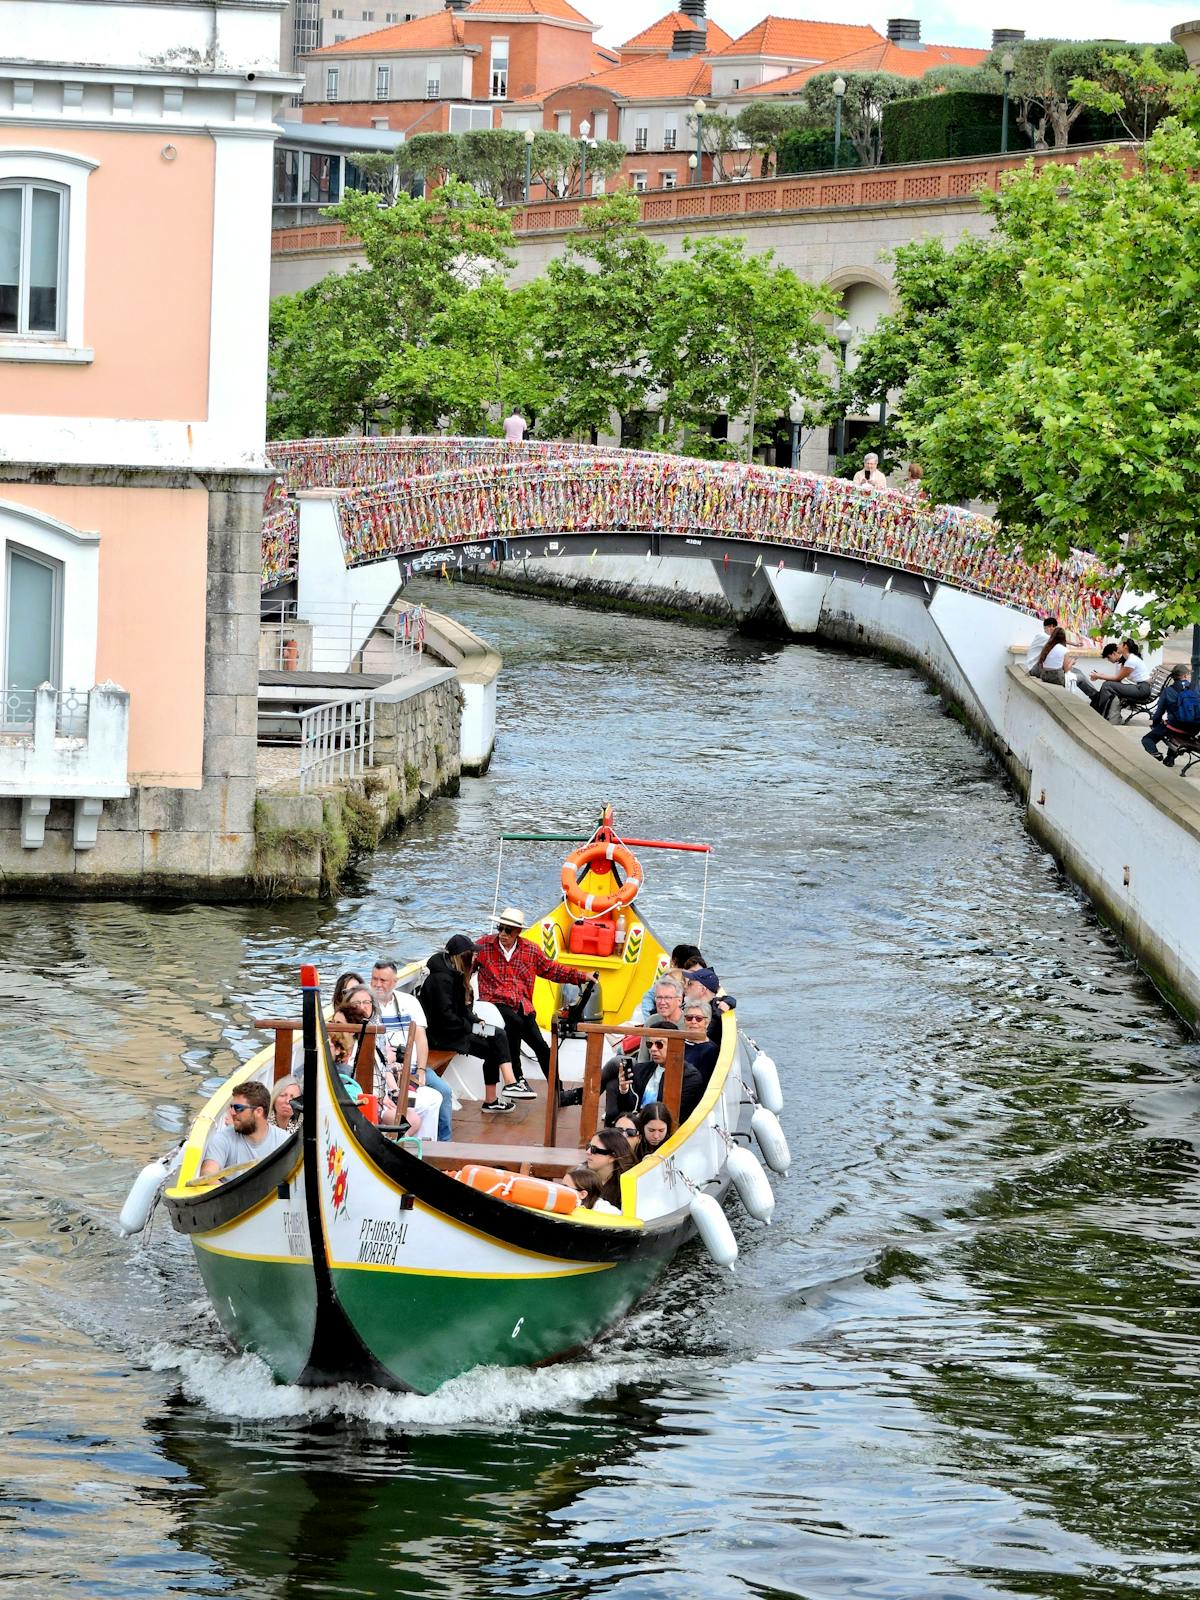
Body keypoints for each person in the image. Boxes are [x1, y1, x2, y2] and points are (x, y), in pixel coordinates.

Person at [473, 907, 597, 1096]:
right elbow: (464, 966)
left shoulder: (530, 950)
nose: (502, 934)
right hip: (494, 1005)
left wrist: (582, 976)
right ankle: (517, 1079)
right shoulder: (483, 946)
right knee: (512, 1023)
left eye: (508, 930)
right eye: (500, 928)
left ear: (518, 932)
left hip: (522, 1007)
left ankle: (558, 1091)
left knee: (542, 1047)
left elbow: (552, 969)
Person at [419, 934, 516, 1115]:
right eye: (472, 954)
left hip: (458, 1030)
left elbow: (463, 1012)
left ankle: (495, 1097)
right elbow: (445, 1018)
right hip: (442, 1037)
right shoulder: (441, 980)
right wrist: (471, 1027)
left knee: (497, 1036)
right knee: (497, 1038)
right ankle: (510, 1084)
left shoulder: (455, 976)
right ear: (462, 956)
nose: (475, 958)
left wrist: (475, 1021)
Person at [371, 958, 452, 1140]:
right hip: (390, 1076)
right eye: (374, 979)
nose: (377, 985)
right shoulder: (367, 1006)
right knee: (421, 1102)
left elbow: (421, 1039)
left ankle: (445, 1143)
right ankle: (413, 1140)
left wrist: (422, 1070)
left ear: (395, 982)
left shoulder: (409, 1002)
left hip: (415, 1070)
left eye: (383, 980)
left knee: (445, 1092)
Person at [201, 1081, 291, 1176]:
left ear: (258, 1112)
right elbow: (208, 1174)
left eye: (238, 1108)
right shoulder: (223, 1138)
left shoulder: (284, 1141)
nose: (232, 1112)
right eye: (231, 1107)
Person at [1142, 665, 1200, 764]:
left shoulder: (1168, 691)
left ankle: (1156, 754)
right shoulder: (1196, 688)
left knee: (1147, 739)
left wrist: (1155, 725)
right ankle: (1170, 758)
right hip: (1193, 729)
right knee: (1174, 728)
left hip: (1174, 727)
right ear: (1185, 675)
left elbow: (1158, 713)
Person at [1093, 639, 1153, 723]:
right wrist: (1101, 676)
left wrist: (1099, 676)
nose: (1117, 646)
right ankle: (1101, 712)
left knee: (1107, 685)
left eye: (1120, 644)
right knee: (1108, 685)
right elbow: (1118, 678)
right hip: (1140, 687)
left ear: (1125, 647)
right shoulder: (1129, 659)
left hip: (1142, 690)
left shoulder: (1131, 661)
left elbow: (1118, 678)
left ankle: (1100, 712)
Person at [583, 1128, 636, 1209]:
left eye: (594, 1149)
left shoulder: (626, 1188)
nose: (588, 1152)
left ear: (612, 1157)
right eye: (588, 1147)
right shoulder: (580, 1174)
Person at [681, 997, 719, 1085]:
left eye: (699, 1019)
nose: (693, 1022)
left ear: (707, 1022)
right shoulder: (677, 1042)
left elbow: (701, 1081)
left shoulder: (710, 1050)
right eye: (689, 1018)